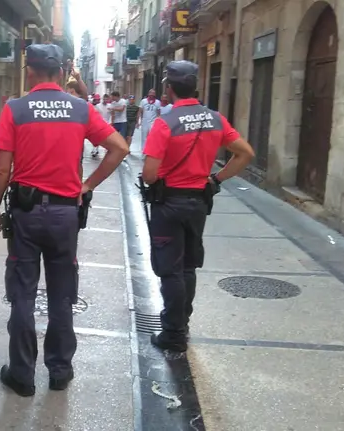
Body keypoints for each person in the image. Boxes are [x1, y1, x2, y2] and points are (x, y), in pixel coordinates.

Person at [0, 43, 129, 397]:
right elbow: (120, 148)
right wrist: (87, 185)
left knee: (22, 293)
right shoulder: (80, 108)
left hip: (25, 213)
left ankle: (22, 375)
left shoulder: (16, 109)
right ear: (62, 72)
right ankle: (59, 371)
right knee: (62, 293)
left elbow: (1, 168)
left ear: (30, 72)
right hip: (65, 214)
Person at [141, 61, 255, 352]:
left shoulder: (164, 123)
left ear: (169, 88)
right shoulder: (215, 119)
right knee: (188, 266)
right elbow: (245, 154)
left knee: (170, 269)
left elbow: (150, 174)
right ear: (195, 87)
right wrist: (216, 179)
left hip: (169, 203)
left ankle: (173, 333)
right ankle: (183, 322)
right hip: (198, 202)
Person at [137, 89, 161, 154]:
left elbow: (159, 113)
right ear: (148, 94)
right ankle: (143, 150)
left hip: (153, 122)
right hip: (144, 121)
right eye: (150, 93)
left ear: (155, 95)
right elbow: (139, 111)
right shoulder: (143, 101)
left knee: (152, 136)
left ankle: (151, 150)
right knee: (144, 136)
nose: (151, 95)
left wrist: (158, 122)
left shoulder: (157, 102)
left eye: (153, 94)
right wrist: (138, 121)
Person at [92, 94, 111, 158]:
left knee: (107, 138)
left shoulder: (110, 106)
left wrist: (111, 122)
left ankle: (107, 150)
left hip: (107, 124)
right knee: (97, 137)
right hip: (99, 124)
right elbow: (95, 114)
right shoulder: (98, 106)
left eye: (107, 99)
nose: (105, 100)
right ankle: (95, 150)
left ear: (108, 99)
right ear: (103, 99)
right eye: (104, 99)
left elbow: (112, 114)